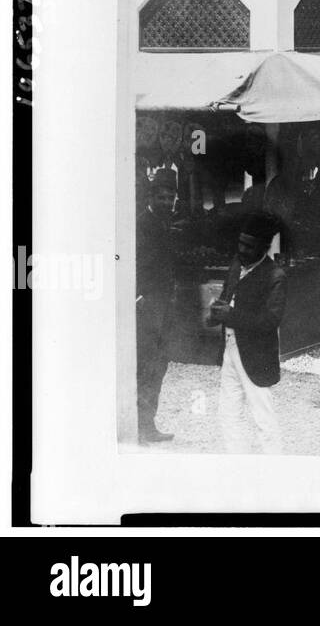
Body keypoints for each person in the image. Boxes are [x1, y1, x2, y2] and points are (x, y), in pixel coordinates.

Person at [208, 212, 287, 454]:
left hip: (256, 355)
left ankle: (274, 469)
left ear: (263, 248)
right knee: (228, 412)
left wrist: (229, 315)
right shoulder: (236, 264)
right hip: (230, 349)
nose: (241, 250)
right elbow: (227, 294)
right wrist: (215, 312)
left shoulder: (275, 276)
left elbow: (270, 320)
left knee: (263, 416)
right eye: (240, 243)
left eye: (248, 246)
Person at [136, 168, 179, 443]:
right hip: (148, 303)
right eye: (161, 197)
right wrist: (138, 295)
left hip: (165, 303)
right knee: (146, 365)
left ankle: (147, 423)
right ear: (152, 196)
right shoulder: (142, 224)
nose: (166, 202)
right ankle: (139, 426)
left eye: (170, 198)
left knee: (159, 364)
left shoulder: (167, 223)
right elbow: (137, 262)